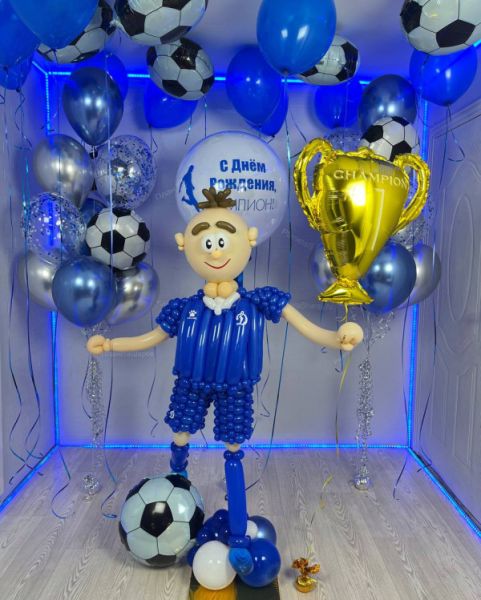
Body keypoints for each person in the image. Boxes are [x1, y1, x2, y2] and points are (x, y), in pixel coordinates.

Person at [87, 187, 363, 576]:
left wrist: (336, 337)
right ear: (184, 245)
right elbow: (151, 338)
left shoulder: (260, 301)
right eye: (206, 243)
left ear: (249, 240)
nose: (215, 251)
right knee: (180, 435)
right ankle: (179, 488)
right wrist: (112, 344)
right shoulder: (184, 308)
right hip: (190, 383)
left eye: (222, 241)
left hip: (236, 387)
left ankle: (237, 533)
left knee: (233, 449)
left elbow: (303, 325)